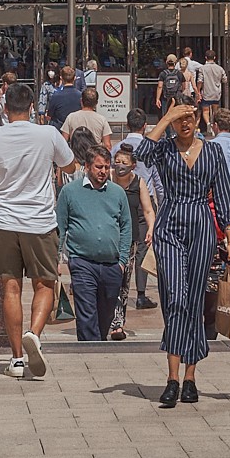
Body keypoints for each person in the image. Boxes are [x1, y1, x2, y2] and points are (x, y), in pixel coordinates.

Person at [135, 104, 230, 408]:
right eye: (179, 119)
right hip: (169, 225)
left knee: (194, 299)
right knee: (174, 297)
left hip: (201, 226)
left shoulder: (212, 152)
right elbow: (141, 154)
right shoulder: (164, 149)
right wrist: (164, 118)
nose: (185, 124)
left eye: (189, 118)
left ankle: (190, 376)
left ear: (198, 120)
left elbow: (222, 193)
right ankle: (171, 378)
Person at [0, 81, 77, 379]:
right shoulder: (48, 134)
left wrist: (4, 172)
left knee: (11, 286)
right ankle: (35, 334)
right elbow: (69, 166)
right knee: (44, 284)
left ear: (4, 107)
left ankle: (16, 359)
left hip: (4, 220)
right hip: (40, 221)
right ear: (32, 107)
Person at [56, 144, 133, 341]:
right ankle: (89, 350)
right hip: (82, 262)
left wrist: (122, 261)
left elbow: (126, 227)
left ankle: (99, 344)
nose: (104, 171)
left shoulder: (117, 193)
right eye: (99, 167)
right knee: (86, 313)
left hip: (112, 265)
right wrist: (56, 258)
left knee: (106, 314)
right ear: (87, 167)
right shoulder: (69, 192)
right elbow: (60, 227)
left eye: (107, 167)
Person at [112, 145, 155, 316]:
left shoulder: (139, 182)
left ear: (133, 165)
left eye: (124, 162)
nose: (120, 166)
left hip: (128, 237)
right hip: (107, 235)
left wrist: (151, 228)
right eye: (117, 162)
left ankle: (118, 319)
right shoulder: (107, 179)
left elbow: (148, 210)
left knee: (124, 278)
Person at [195, 49, 227, 126]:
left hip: (206, 92)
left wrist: (198, 91)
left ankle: (208, 124)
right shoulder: (220, 68)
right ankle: (214, 124)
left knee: (205, 110)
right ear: (215, 57)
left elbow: (200, 81)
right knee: (215, 110)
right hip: (216, 92)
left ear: (206, 57)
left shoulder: (202, 68)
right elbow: (225, 80)